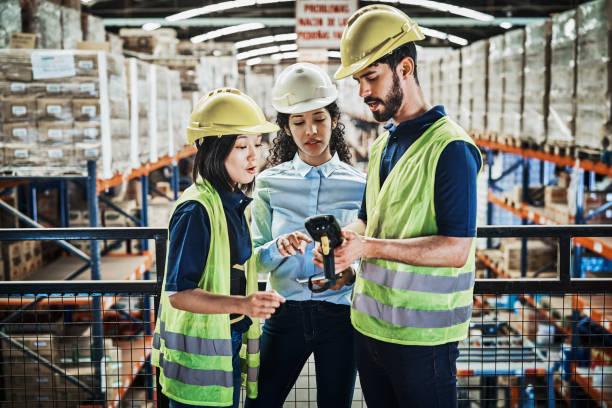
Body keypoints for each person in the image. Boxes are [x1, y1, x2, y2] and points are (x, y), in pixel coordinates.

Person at [315, 5, 483, 408]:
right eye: (359, 81)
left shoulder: (452, 149)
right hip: (371, 331)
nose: (363, 92)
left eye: (371, 77)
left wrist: (367, 247)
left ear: (405, 68)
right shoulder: (382, 146)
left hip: (423, 344)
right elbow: (369, 220)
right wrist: (345, 254)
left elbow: (455, 249)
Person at [151, 88, 286, 408]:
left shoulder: (232, 204)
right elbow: (179, 294)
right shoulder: (197, 210)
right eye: (241, 146)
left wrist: (277, 248)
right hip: (197, 366)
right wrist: (244, 305)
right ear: (212, 151)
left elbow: (238, 265)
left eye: (257, 144)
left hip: (225, 347)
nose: (254, 156)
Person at [245, 63, 366, 408]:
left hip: (341, 317)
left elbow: (367, 253)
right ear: (286, 127)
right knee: (261, 402)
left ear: (333, 120)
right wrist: (277, 247)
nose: (311, 130)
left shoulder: (359, 185)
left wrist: (349, 272)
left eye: (319, 119)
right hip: (283, 314)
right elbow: (255, 260)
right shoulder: (269, 183)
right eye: (299, 122)